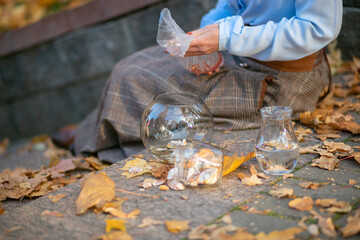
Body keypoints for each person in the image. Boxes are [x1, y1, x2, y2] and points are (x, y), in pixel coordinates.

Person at [71, 0, 343, 163]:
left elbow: (318, 28)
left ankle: (94, 137)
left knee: (130, 78)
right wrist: (206, 36)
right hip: (240, 52)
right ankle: (94, 128)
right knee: (132, 65)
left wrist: (226, 38)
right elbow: (231, 5)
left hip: (280, 80)